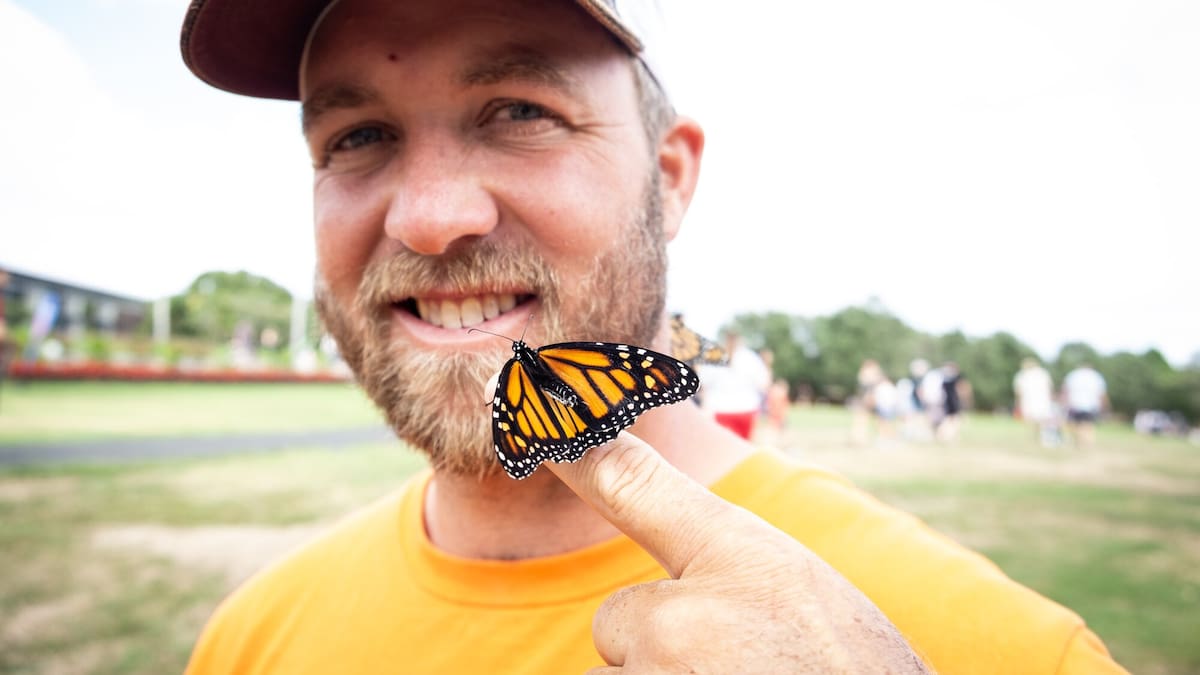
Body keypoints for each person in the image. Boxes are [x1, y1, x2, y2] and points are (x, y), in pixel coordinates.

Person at [179, 1, 1127, 672]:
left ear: (670, 179)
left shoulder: (1007, 651)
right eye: (356, 136)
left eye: (521, 112)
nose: (430, 217)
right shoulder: (247, 641)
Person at [695, 331, 770, 440]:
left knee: (722, 449)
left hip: (719, 409)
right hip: (746, 409)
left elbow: (703, 384)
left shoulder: (713, 355)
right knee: (743, 449)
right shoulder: (750, 357)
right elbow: (764, 383)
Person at [1014, 357, 1060, 447]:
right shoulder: (1042, 373)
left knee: (1032, 421)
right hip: (1042, 401)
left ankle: (1036, 439)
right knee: (1041, 421)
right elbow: (1050, 387)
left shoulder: (1023, 375)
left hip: (1030, 401)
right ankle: (1040, 438)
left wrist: (1018, 402)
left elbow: (1019, 391)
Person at [1062, 362, 1109, 447]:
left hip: (1075, 404)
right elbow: (1101, 393)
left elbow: (1066, 390)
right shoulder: (1096, 376)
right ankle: (1086, 443)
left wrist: (1065, 402)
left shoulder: (1073, 375)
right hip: (1090, 405)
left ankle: (1079, 441)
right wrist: (1104, 405)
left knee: (1074, 424)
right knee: (1088, 425)